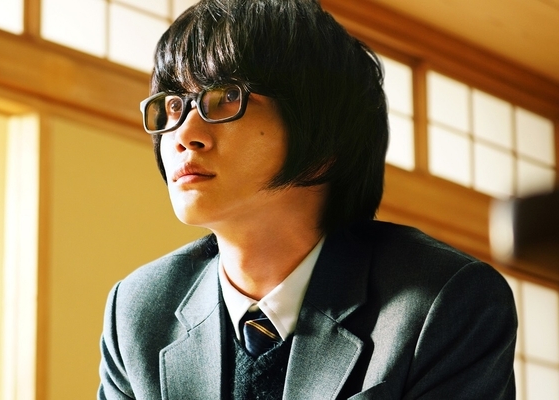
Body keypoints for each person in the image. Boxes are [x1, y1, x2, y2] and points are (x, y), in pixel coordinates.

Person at [98, 0, 518, 398]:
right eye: (173, 106)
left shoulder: (442, 302)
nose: (184, 134)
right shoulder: (139, 312)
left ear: (324, 138)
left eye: (227, 97)